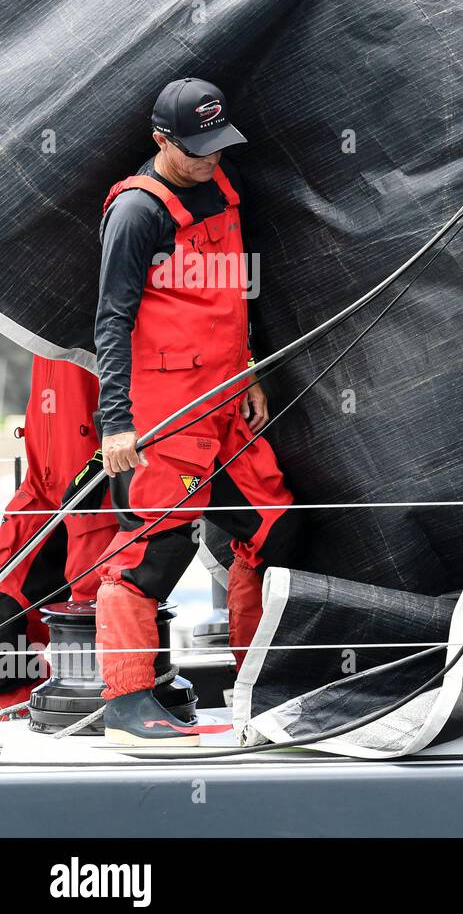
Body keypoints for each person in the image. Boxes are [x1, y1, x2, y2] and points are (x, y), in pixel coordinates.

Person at [94, 78, 301, 745]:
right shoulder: (136, 213)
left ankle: (254, 685)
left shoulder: (223, 183)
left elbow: (233, 290)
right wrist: (116, 422)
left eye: (219, 146)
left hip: (223, 401)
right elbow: (112, 322)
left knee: (272, 528)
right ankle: (128, 703)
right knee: (153, 554)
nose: (211, 160)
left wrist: (248, 367)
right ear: (161, 141)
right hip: (164, 416)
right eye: (197, 150)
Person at [0, 357, 117, 712]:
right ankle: (18, 700)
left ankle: (98, 705)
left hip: (98, 482)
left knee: (91, 605)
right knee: (5, 597)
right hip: (42, 482)